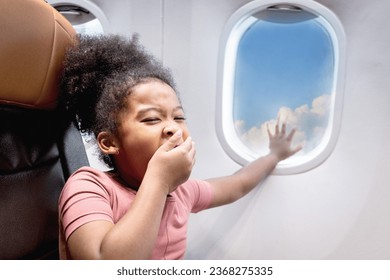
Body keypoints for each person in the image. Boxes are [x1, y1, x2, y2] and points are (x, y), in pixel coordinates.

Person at [58, 34, 302, 260]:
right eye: (152, 119)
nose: (172, 128)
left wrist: (275, 155)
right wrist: (159, 180)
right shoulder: (89, 186)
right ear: (109, 142)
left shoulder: (182, 192)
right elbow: (102, 262)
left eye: (179, 117)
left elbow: (238, 185)